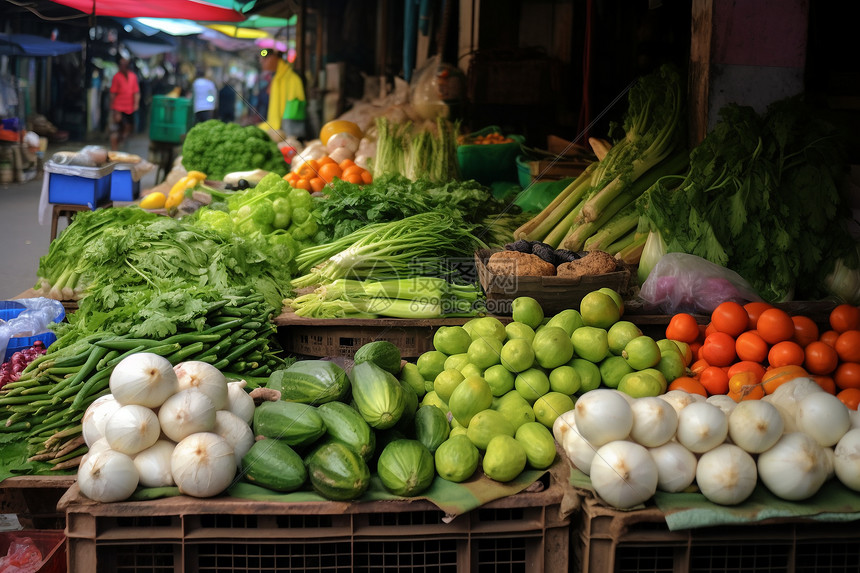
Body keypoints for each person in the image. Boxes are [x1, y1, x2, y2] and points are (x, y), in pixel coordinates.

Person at [257, 50, 307, 139]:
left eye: (264, 59)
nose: (262, 62)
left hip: (289, 133)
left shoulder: (291, 79)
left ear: (273, 58)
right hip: (280, 131)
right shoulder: (276, 78)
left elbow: (294, 109)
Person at [109, 57, 140, 151]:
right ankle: (114, 149)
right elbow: (113, 93)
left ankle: (121, 141)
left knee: (128, 127)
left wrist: (136, 103)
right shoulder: (117, 77)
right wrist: (113, 108)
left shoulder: (133, 76)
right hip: (118, 106)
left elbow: (136, 92)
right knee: (116, 129)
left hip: (129, 107)